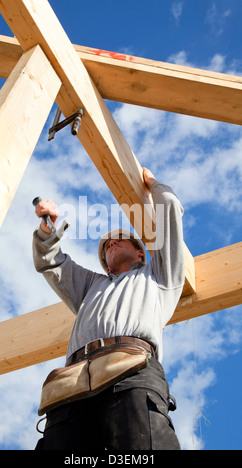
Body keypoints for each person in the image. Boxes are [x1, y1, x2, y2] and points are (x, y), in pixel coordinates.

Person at [33, 168, 185, 450]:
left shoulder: (160, 274)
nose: (111, 243)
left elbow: (170, 212)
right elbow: (51, 263)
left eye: (120, 239)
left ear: (141, 251)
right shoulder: (92, 285)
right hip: (73, 384)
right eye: (106, 246)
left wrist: (152, 185)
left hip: (131, 371)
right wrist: (47, 230)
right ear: (103, 263)